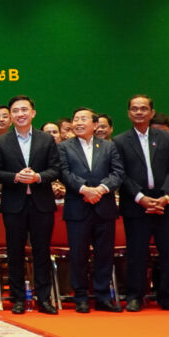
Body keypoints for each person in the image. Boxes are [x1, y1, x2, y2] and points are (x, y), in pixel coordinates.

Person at [113, 95, 169, 313]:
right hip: (136, 205)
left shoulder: (166, 138)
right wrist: (141, 198)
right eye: (134, 109)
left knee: (167, 253)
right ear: (128, 113)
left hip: (165, 204)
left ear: (152, 113)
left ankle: (168, 297)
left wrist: (166, 196)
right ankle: (135, 296)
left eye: (143, 108)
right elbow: (121, 174)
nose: (139, 112)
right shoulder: (119, 141)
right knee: (136, 254)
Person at [0, 95, 60, 315]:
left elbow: (55, 169)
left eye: (24, 110)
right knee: (15, 253)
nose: (20, 114)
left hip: (41, 203)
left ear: (33, 113)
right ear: (11, 116)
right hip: (14, 204)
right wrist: (16, 177)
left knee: (42, 252)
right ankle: (18, 299)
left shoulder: (46, 139)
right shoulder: (1, 142)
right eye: (15, 111)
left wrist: (38, 177)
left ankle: (44, 299)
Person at [58, 108, 124, 313]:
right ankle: (80, 297)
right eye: (76, 119)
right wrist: (84, 189)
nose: (78, 122)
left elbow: (118, 173)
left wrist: (101, 189)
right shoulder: (64, 147)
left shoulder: (109, 146)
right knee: (78, 254)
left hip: (104, 207)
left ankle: (103, 296)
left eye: (83, 119)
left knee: (104, 254)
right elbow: (64, 172)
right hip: (77, 206)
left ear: (95, 125)